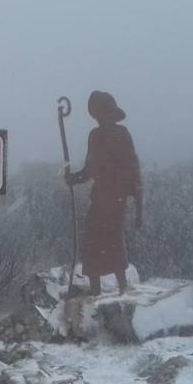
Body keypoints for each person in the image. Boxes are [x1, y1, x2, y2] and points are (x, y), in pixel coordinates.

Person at [65, 90, 142, 296]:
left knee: (114, 239)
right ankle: (95, 288)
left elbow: (133, 168)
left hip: (117, 198)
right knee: (93, 240)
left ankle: (122, 286)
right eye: (98, 116)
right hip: (99, 198)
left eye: (104, 114)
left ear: (111, 114)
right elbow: (90, 169)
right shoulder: (95, 136)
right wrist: (74, 178)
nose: (101, 120)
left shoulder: (122, 134)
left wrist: (139, 207)